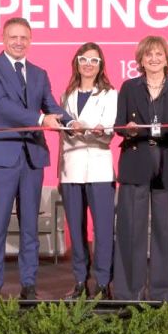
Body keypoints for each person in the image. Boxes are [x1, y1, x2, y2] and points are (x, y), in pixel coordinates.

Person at [0, 17, 76, 300]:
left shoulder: (39, 73)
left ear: (30, 40)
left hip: (32, 156)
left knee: (30, 225)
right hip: (1, 155)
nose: (19, 42)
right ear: (3, 38)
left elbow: (51, 105)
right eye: (14, 37)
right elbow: (0, 105)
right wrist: (41, 119)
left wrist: (71, 122)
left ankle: (29, 284)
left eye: (24, 37)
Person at [114, 35, 168, 301]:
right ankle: (128, 292)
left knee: (167, 231)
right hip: (136, 160)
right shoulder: (129, 87)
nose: (154, 59)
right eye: (149, 54)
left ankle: (164, 293)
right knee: (130, 230)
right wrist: (129, 130)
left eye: (159, 54)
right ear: (141, 60)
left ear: (167, 59)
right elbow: (119, 125)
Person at [57, 42, 117, 300]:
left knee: (102, 230)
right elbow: (62, 135)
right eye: (84, 59)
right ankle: (80, 281)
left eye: (94, 60)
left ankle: (103, 283)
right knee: (76, 229)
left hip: (99, 169)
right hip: (71, 169)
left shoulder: (110, 94)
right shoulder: (66, 95)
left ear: (101, 65)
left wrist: (89, 129)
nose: (88, 64)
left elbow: (109, 131)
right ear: (77, 63)